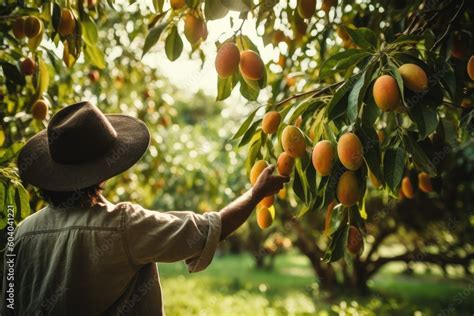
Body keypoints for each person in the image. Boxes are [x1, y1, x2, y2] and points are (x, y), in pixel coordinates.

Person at [0, 101, 289, 315]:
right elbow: (207, 230)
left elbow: (8, 305)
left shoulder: (22, 234)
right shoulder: (124, 225)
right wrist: (255, 194)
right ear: (102, 173)